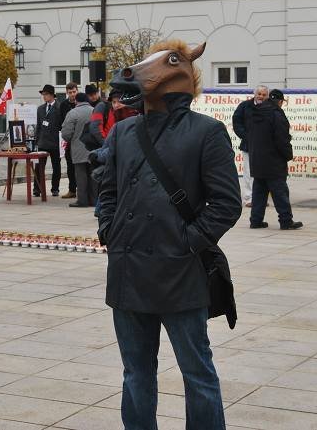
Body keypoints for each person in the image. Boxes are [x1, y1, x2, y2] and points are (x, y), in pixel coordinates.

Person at [98, 40, 241, 430]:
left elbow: (227, 204)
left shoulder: (207, 132)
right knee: (136, 374)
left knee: (198, 374)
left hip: (180, 273)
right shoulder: (124, 131)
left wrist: (186, 241)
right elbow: (107, 188)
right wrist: (108, 229)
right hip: (128, 272)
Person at [248, 89, 302, 229]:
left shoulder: (256, 111)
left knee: (259, 191)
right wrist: (288, 155)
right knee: (280, 192)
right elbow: (281, 138)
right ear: (279, 101)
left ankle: (255, 220)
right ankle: (285, 221)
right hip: (273, 160)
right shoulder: (277, 114)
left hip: (256, 158)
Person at [232, 85, 268, 208]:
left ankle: (261, 198)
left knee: (263, 173)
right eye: (259, 94)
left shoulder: (269, 107)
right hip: (249, 145)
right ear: (255, 94)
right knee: (248, 172)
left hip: (266, 147)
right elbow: (236, 121)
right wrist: (246, 135)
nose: (261, 97)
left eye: (264, 95)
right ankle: (248, 198)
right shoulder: (244, 106)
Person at [60, 93, 96, 207]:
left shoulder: (73, 113)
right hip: (94, 148)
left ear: (76, 101)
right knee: (93, 174)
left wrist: (72, 139)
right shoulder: (94, 110)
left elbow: (65, 133)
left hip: (78, 149)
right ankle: (94, 200)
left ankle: (82, 200)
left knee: (81, 176)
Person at [33, 84, 62, 197]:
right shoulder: (40, 109)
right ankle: (37, 188)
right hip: (43, 142)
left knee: (56, 167)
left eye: (45, 94)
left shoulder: (59, 108)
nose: (44, 96)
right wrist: (36, 141)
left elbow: (61, 125)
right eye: (43, 94)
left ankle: (55, 188)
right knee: (39, 166)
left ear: (51, 95)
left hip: (55, 142)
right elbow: (38, 126)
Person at [58, 82, 79, 199]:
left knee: (81, 166)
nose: (72, 94)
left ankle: (83, 189)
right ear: (67, 93)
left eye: (74, 92)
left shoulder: (81, 102)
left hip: (80, 139)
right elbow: (62, 122)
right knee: (70, 166)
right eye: (70, 92)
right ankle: (72, 190)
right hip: (69, 140)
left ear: (77, 91)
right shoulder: (64, 105)